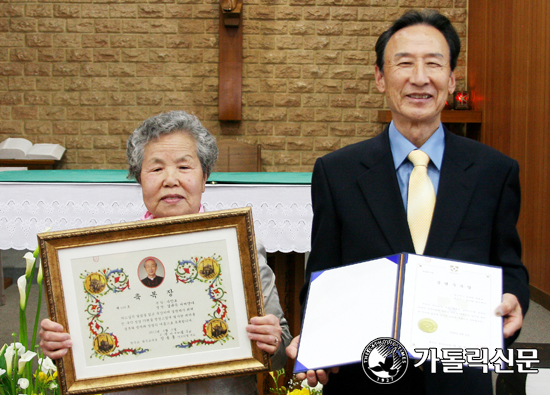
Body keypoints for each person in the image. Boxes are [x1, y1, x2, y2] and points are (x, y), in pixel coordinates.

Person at [286, 9, 529, 395]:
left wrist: (515, 298)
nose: (420, 77)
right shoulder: (338, 172)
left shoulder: (493, 172)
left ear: (450, 79)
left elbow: (509, 266)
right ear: (381, 78)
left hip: (457, 377)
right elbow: (323, 276)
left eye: (433, 63)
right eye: (404, 63)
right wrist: (317, 337)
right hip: (366, 377)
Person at [40, 110, 292, 395]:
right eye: (156, 169)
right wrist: (59, 346)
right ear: (139, 177)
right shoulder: (107, 257)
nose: (170, 180)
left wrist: (272, 341)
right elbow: (83, 352)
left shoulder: (238, 249)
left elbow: (281, 352)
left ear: (205, 175)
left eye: (184, 168)